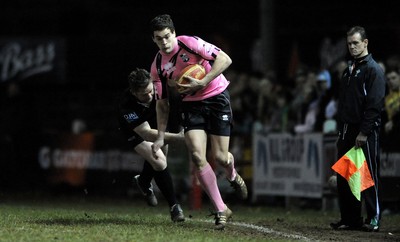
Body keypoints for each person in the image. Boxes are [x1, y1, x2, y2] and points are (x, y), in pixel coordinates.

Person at [149, 14, 248, 230]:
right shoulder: (157, 66)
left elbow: (225, 59)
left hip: (216, 97)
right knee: (196, 155)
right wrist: (159, 137)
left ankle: (232, 174)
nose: (164, 43)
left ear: (174, 33)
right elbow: (162, 104)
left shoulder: (190, 43)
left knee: (221, 158)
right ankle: (221, 209)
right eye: (159, 39)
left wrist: (202, 81)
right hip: (191, 105)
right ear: (154, 40)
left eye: (167, 37)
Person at [330, 26, 385, 232]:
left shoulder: (373, 70)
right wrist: (340, 131)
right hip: (346, 129)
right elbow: (344, 103)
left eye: (355, 43)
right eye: (349, 43)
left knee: (367, 175)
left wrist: (364, 131)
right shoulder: (348, 70)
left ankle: (374, 218)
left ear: (365, 43)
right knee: (346, 176)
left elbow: (375, 104)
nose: (352, 47)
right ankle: (350, 218)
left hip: (365, 131)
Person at [117, 68, 185, 222]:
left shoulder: (159, 87)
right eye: (143, 94)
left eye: (150, 91)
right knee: (160, 162)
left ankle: (143, 181)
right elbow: (146, 133)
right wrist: (180, 138)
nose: (149, 96)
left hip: (157, 124)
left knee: (160, 160)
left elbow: (175, 104)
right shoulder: (126, 104)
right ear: (134, 93)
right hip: (135, 131)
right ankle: (174, 206)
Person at [382, 67, 400, 151]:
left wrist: (393, 121)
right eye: (388, 79)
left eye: (393, 78)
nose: (391, 81)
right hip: (391, 137)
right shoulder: (387, 98)